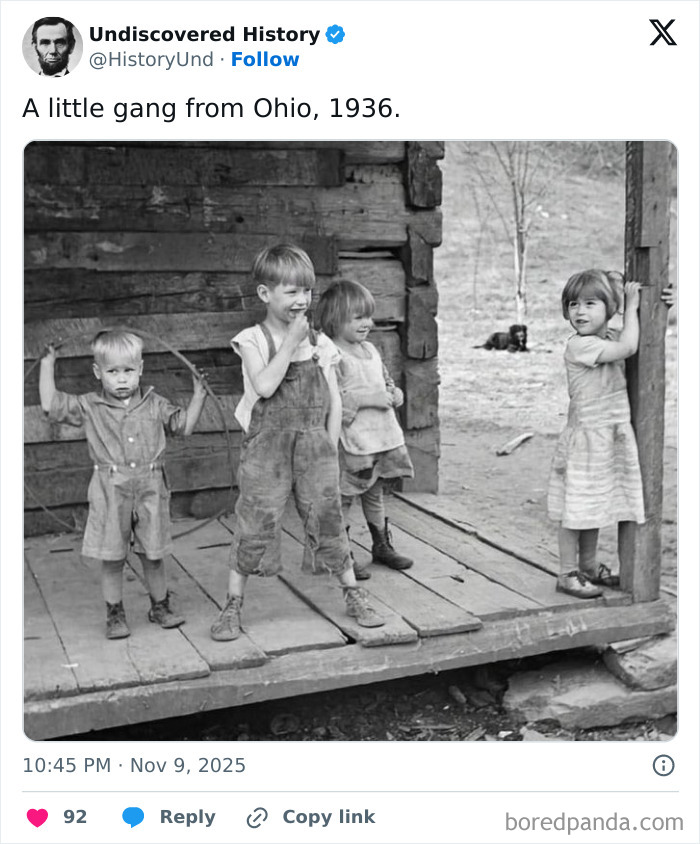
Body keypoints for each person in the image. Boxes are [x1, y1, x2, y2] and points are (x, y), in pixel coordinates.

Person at [210, 245, 384, 641]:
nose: (302, 300)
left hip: (313, 445)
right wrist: (289, 343)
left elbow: (333, 397)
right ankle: (233, 604)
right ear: (264, 295)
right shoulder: (252, 340)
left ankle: (353, 592)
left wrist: (329, 441)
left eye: (306, 291)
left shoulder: (321, 343)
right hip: (267, 449)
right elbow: (266, 385)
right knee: (255, 519)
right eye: (290, 292)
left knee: (327, 517)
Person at [39, 330, 208, 639]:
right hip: (109, 488)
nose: (121, 379)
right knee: (112, 556)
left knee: (153, 554)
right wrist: (48, 364)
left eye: (128, 371)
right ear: (97, 372)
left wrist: (198, 396)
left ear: (140, 370)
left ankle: (160, 606)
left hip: (150, 487)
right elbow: (51, 406)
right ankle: (114, 613)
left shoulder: (154, 403)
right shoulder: (90, 405)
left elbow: (183, 427)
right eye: (112, 371)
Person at [547, 270, 645, 598]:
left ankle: (588, 566)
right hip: (587, 439)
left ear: (609, 308)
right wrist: (631, 307)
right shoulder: (580, 345)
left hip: (607, 435)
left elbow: (634, 329)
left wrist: (662, 304)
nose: (580, 311)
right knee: (575, 509)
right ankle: (566, 573)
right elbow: (630, 346)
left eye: (590, 303)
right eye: (573, 304)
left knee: (593, 506)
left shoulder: (606, 336)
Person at [316, 280, 415, 581]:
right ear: (335, 318)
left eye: (368, 317)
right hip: (352, 442)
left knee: (374, 492)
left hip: (378, 438)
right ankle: (341, 554)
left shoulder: (370, 349)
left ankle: (381, 544)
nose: (367, 324)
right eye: (358, 318)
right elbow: (330, 399)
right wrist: (370, 399)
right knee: (344, 497)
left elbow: (383, 381)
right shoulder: (332, 354)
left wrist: (394, 393)